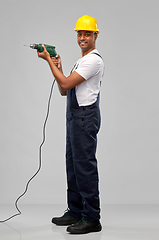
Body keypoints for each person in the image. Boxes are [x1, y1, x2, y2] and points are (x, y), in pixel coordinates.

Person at [37, 15, 104, 234]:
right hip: (75, 116)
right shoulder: (81, 61)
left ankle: (92, 218)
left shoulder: (94, 60)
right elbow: (64, 90)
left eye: (87, 34)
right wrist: (59, 66)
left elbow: (65, 82)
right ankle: (75, 211)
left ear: (96, 35)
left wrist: (49, 61)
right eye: (80, 33)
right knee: (73, 166)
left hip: (85, 116)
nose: (82, 37)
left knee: (84, 167)